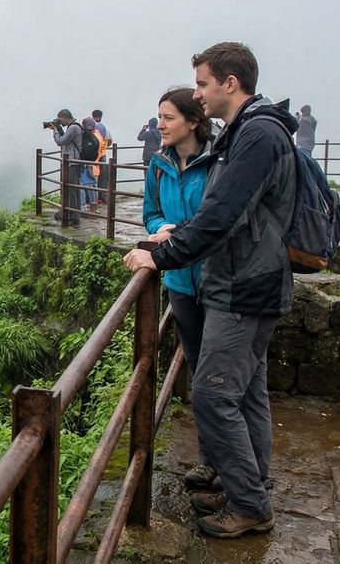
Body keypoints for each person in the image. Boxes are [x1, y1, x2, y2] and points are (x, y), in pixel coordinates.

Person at [123, 42, 296, 539]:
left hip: (244, 285)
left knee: (214, 395)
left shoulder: (257, 135)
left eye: (201, 83)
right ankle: (250, 484)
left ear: (230, 83)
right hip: (247, 280)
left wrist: (161, 256)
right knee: (246, 395)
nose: (198, 94)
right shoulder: (250, 131)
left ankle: (248, 505)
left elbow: (219, 216)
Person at [140, 87, 216, 490]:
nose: (160, 125)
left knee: (217, 376)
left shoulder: (218, 160)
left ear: (192, 120)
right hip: (180, 282)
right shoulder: (159, 164)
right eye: (159, 117)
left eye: (168, 118)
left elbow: (216, 219)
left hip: (219, 280)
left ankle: (225, 462)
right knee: (201, 367)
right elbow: (150, 213)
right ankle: (211, 458)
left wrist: (179, 234)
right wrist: (160, 229)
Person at [47, 108, 82, 226]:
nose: (59, 121)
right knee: (73, 189)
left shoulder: (73, 128)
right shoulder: (72, 127)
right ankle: (72, 214)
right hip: (73, 162)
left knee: (72, 190)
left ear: (65, 117)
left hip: (73, 162)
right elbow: (66, 140)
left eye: (60, 119)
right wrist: (59, 128)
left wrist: (55, 130)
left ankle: (74, 217)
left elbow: (60, 142)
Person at [79, 117, 104, 211]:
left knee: (82, 186)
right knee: (92, 186)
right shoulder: (98, 135)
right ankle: (93, 208)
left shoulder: (88, 136)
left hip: (88, 164)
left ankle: (83, 207)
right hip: (95, 164)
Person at [93, 109, 112, 204]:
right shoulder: (105, 128)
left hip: (93, 156)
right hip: (103, 154)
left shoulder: (91, 127)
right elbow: (110, 141)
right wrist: (104, 147)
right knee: (102, 176)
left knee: (92, 176)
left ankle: (93, 197)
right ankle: (102, 195)